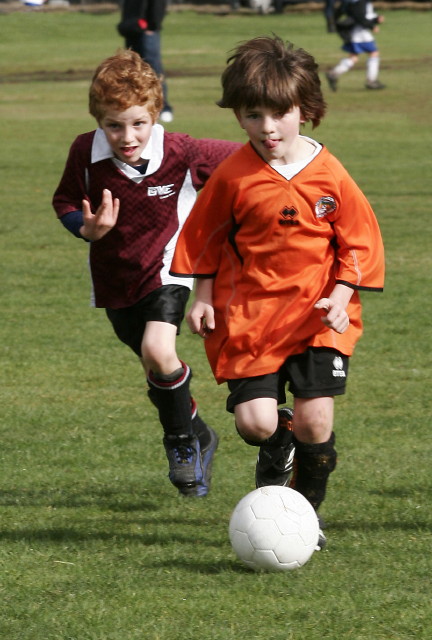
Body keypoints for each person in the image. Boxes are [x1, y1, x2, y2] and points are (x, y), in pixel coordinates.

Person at [170, 36, 385, 547]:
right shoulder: (234, 177)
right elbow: (203, 236)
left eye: (280, 114)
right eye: (253, 116)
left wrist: (340, 293)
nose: (267, 128)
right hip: (252, 316)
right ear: (238, 116)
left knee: (317, 422)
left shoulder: (330, 174)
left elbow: (358, 240)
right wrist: (201, 296)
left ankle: (303, 519)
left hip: (317, 317)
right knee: (256, 425)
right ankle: (277, 438)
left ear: (305, 109)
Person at [52, 49, 240, 498]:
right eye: (114, 124)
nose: (127, 135)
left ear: (155, 114)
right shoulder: (85, 151)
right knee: (159, 370)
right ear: (99, 119)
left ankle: (180, 444)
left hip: (169, 268)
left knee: (159, 351)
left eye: (139, 123)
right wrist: (86, 227)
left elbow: (244, 159)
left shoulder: (180, 150)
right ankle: (199, 432)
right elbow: (63, 201)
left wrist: (298, 159)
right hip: (115, 280)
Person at [117, 0, 174, 122]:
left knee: (153, 69)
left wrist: (153, 25)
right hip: (132, 30)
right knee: (132, 69)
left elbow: (158, 5)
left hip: (147, 32)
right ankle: (136, 105)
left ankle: (163, 107)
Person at [326, 0, 385, 91]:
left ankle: (333, 73)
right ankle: (371, 81)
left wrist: (376, 19)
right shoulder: (360, 2)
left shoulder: (354, 2)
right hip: (361, 33)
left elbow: (362, 15)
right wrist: (372, 26)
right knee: (374, 53)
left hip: (355, 33)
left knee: (353, 57)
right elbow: (360, 17)